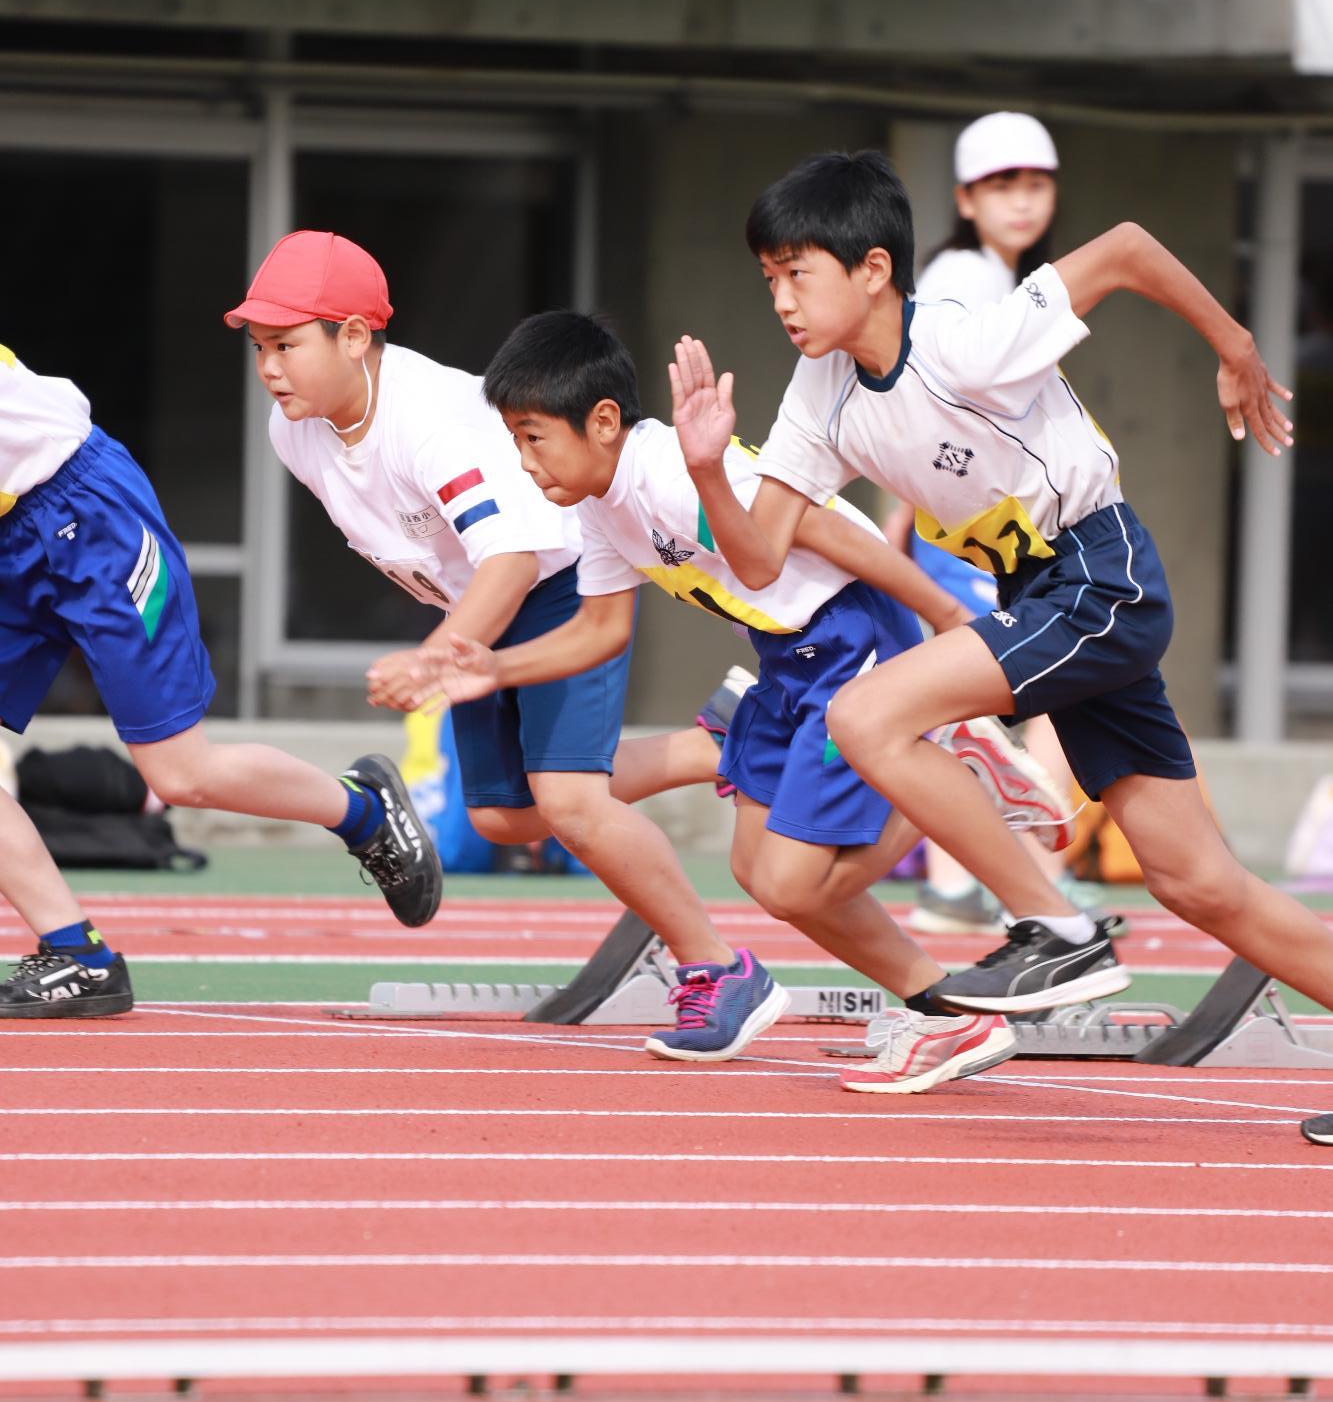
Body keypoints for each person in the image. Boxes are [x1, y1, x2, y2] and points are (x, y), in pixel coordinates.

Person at [671, 148, 1333, 1080]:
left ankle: (1055, 925)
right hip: (1044, 599)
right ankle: (1036, 884)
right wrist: (707, 470)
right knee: (1194, 880)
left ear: (872, 271)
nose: (780, 298)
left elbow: (1131, 248)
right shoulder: (817, 395)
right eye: (769, 277)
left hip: (1101, 574)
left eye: (797, 273)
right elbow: (758, 558)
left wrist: (1234, 348)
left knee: (868, 714)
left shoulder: (964, 342)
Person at [419, 309, 1090, 1094]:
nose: (524, 461)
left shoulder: (670, 472)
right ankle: (949, 1014)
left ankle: (938, 763)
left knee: (796, 881)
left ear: (602, 421)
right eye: (514, 442)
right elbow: (599, 631)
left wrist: (945, 621)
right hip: (786, 662)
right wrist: (492, 670)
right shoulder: (595, 505)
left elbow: (824, 528)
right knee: (759, 874)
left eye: (532, 437)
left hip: (851, 641)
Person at [230, 229, 795, 1063]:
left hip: (555, 583)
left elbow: (513, 555)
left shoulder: (429, 422)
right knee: (500, 816)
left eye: (286, 344)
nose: (269, 366)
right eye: (257, 346)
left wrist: (440, 655)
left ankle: (718, 965)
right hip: (479, 607)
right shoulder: (297, 433)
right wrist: (454, 641)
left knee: (570, 801)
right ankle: (719, 742)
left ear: (354, 336)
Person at [0, 346, 441, 1020]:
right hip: (10, 536)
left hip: (86, 517)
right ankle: (78, 956)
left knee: (180, 772)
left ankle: (364, 811)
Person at [905, 111, 1112, 935]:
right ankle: (1037, 878)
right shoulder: (971, 277)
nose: (1021, 201)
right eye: (1001, 185)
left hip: (965, 522)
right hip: (993, 527)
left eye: (1034, 183)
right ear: (964, 197)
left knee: (971, 704)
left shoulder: (979, 271)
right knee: (1058, 690)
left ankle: (966, 881)